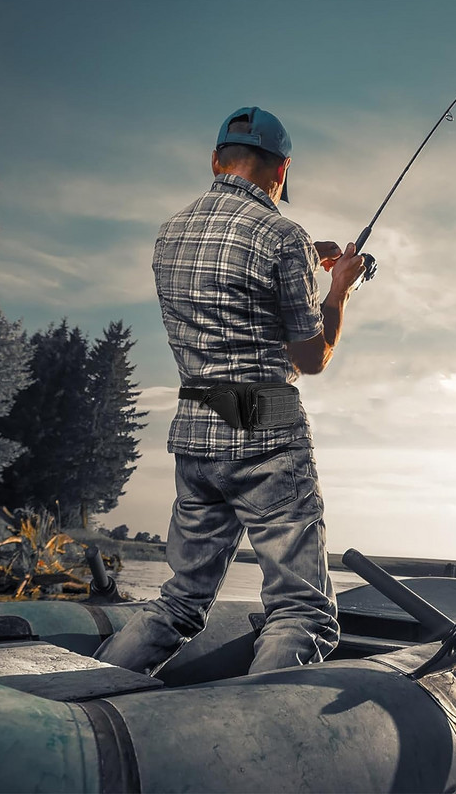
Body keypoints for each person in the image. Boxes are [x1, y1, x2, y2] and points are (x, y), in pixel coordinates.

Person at [94, 106, 365, 676]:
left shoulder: (170, 232)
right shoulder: (282, 235)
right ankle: (267, 751)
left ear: (216, 159)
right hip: (263, 422)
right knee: (301, 612)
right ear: (283, 170)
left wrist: (304, 259)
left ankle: (83, 698)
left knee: (180, 602)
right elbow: (311, 358)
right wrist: (338, 289)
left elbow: (228, 272)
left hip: (196, 423)